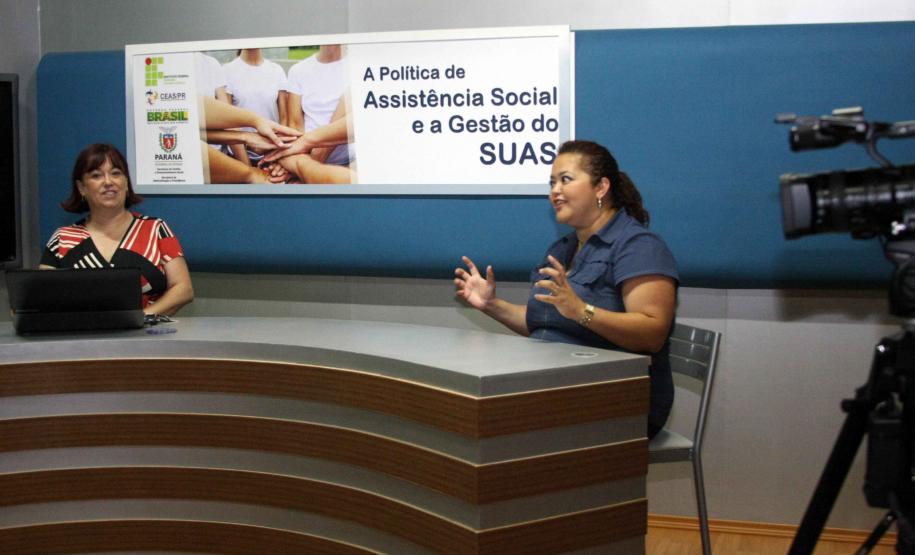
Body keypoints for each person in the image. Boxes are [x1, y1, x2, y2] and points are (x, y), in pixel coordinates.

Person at [454, 140, 678, 438]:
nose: (554, 191)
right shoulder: (563, 248)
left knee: (495, 426)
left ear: (601, 188)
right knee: (468, 412)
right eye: (552, 182)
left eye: (565, 180)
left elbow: (653, 332)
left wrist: (581, 311)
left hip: (621, 400)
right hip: (557, 386)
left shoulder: (639, 246)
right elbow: (546, 322)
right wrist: (491, 305)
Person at [39, 143, 194, 315]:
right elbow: (40, 297)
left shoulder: (156, 229)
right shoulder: (62, 239)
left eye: (116, 173)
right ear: (82, 187)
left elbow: (183, 289)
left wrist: (140, 319)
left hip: (147, 337)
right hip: (83, 338)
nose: (108, 182)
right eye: (96, 175)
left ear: (126, 183)